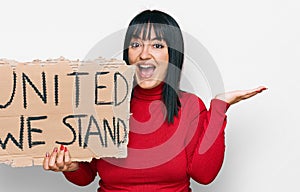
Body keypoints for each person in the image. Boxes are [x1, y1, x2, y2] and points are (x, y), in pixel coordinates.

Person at [43, 9, 267, 191]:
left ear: (172, 54)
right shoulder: (102, 105)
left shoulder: (190, 106)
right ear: (127, 54)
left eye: (157, 45)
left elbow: (204, 175)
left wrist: (218, 107)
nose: (144, 54)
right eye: (136, 44)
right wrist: (70, 167)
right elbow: (86, 177)